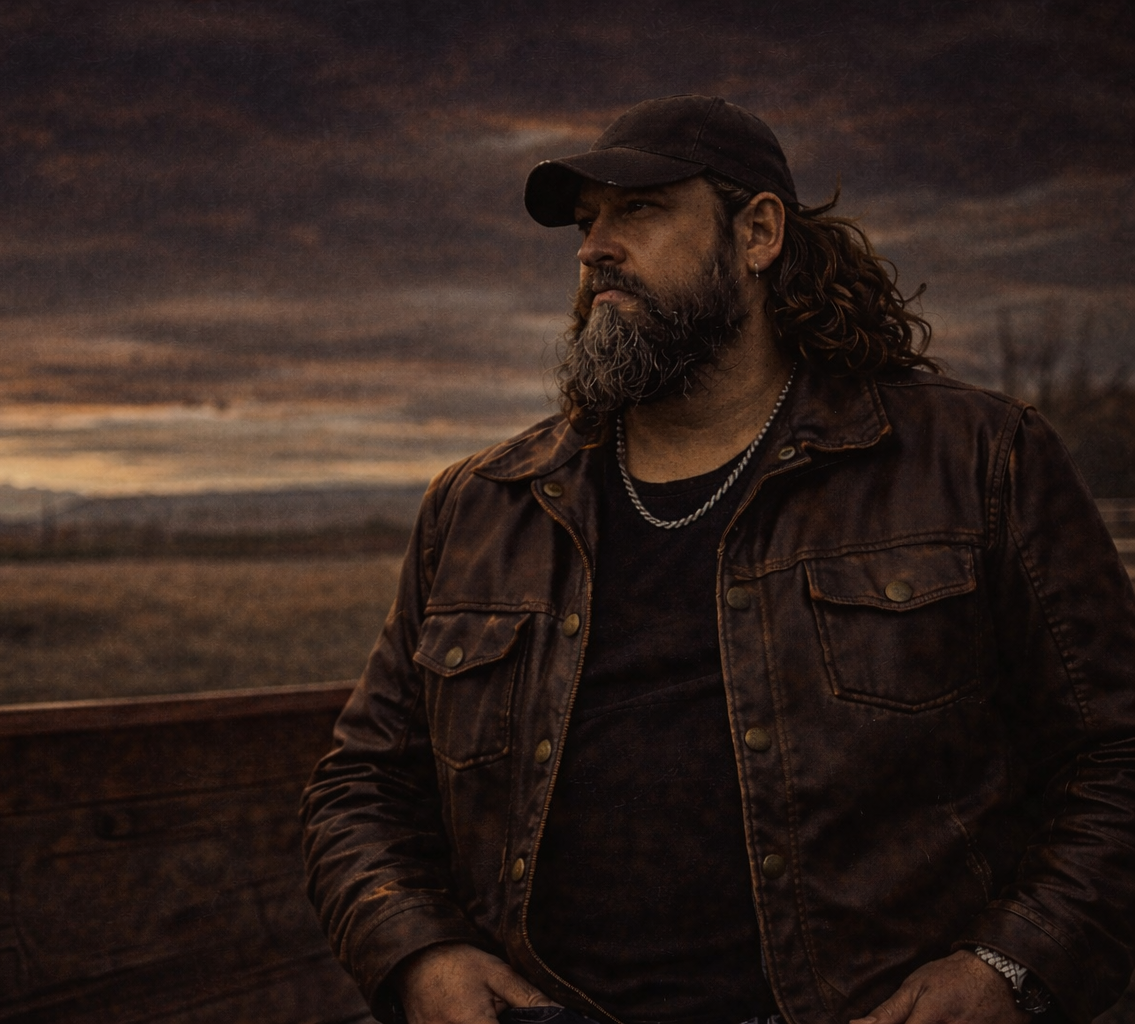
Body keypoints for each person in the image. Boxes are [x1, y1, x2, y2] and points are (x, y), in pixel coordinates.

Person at [298, 95, 1135, 1024]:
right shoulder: (480, 506)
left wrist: (1009, 970)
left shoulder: (977, 460)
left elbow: (1115, 754)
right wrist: (420, 952)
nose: (593, 250)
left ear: (759, 233)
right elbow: (363, 784)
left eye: (639, 210)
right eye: (586, 225)